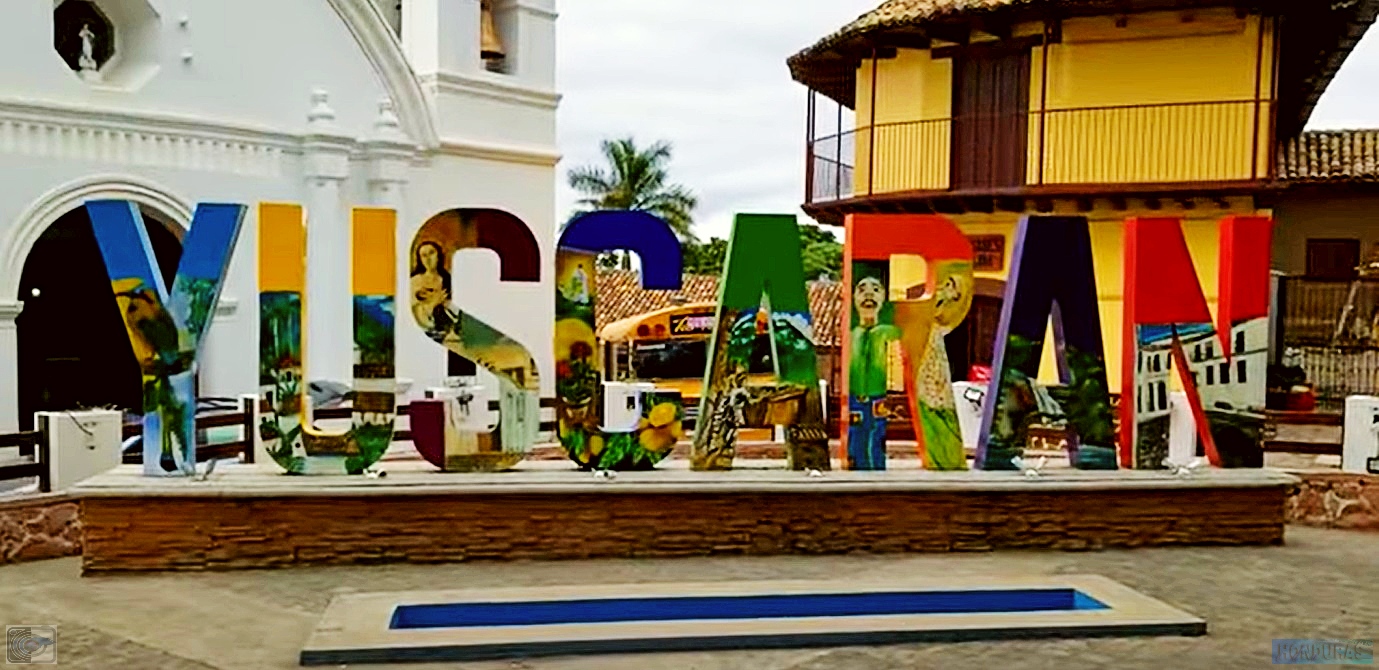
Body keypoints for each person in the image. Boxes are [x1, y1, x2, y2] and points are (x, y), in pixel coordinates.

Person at [848, 273, 901, 470]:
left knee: (877, 435)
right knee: (857, 437)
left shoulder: (890, 332)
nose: (868, 294)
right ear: (853, 297)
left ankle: (876, 468)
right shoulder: (851, 335)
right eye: (862, 289)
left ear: (884, 298)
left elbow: (897, 365)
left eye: (875, 290)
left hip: (880, 397)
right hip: (855, 397)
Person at [410, 241, 455, 339]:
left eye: (431, 253)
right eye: (424, 255)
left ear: (438, 255)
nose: (428, 259)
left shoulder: (449, 279)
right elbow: (412, 312)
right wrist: (434, 303)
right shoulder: (415, 281)